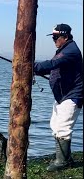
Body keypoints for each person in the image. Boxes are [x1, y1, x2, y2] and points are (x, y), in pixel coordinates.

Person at [33, 23, 83, 172]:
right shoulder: (64, 49)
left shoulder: (71, 50)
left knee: (63, 128)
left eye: (56, 37)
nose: (54, 40)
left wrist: (32, 66)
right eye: (53, 37)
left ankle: (62, 161)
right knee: (55, 125)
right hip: (63, 95)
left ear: (65, 36)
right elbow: (58, 68)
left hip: (72, 95)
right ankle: (65, 157)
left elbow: (53, 64)